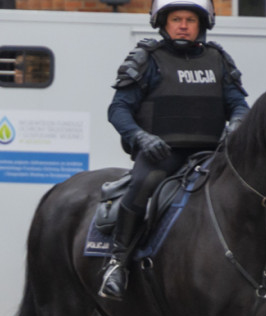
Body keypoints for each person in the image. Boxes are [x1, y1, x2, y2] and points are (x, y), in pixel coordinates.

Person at [99, 0, 249, 300]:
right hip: (161, 155)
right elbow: (118, 109)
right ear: (163, 23)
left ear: (202, 25)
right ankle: (117, 263)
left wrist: (238, 123)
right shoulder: (146, 59)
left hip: (213, 155)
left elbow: (238, 105)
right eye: (177, 19)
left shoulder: (219, 59)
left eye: (190, 19)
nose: (183, 25)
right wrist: (141, 138)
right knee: (143, 185)